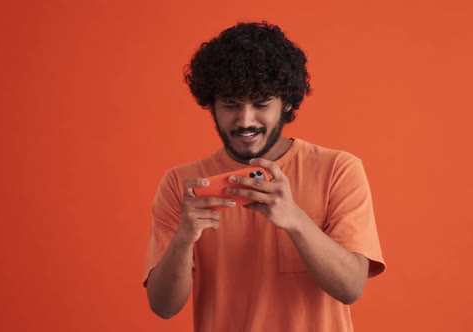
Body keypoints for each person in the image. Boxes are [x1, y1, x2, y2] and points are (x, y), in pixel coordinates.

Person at [143, 21, 385, 332]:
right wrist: (184, 237)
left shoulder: (338, 169)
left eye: (261, 105)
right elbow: (163, 307)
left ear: (287, 103)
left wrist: (294, 219)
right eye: (230, 105)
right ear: (212, 106)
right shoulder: (181, 183)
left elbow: (351, 288)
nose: (245, 120)